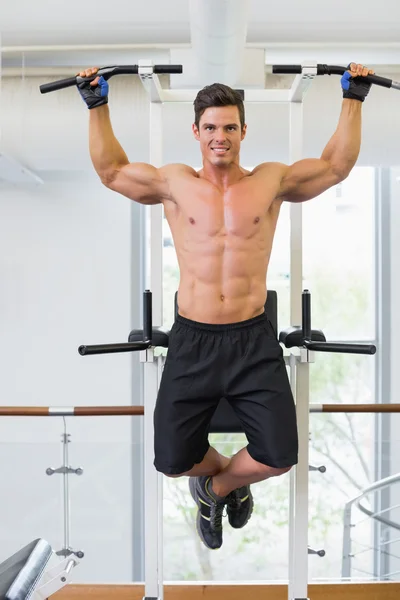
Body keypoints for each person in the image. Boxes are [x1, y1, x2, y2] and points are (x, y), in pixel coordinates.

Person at [77, 62, 374, 550]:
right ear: (196, 131)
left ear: (243, 130)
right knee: (171, 460)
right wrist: (96, 105)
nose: (220, 136)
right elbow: (111, 172)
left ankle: (216, 489)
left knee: (280, 455)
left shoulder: (270, 181)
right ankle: (215, 485)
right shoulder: (175, 183)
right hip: (192, 339)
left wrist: (354, 98)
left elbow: (335, 167)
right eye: (211, 127)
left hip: (252, 339)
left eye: (229, 127)